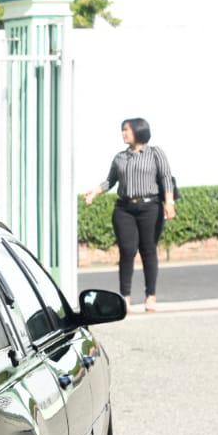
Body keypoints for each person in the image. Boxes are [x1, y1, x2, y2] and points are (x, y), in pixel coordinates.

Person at [84, 118, 175, 312]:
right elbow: (110, 181)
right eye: (123, 130)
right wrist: (94, 192)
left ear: (138, 131)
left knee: (148, 250)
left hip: (150, 208)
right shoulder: (120, 157)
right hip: (124, 209)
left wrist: (169, 202)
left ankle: (151, 296)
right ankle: (124, 297)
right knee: (127, 251)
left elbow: (166, 177)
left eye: (127, 130)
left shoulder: (155, 153)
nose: (123, 133)